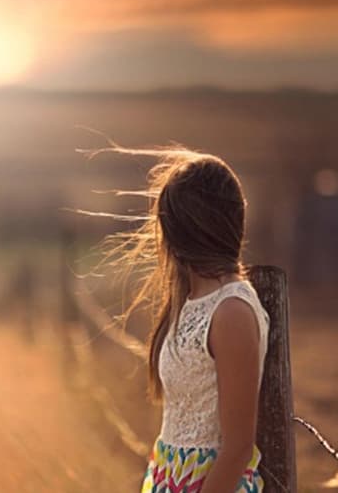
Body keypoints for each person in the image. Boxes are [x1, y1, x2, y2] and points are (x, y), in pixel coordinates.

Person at [93, 145, 269, 492]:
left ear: (178, 230)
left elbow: (236, 448)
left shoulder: (231, 311)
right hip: (173, 478)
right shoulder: (190, 301)